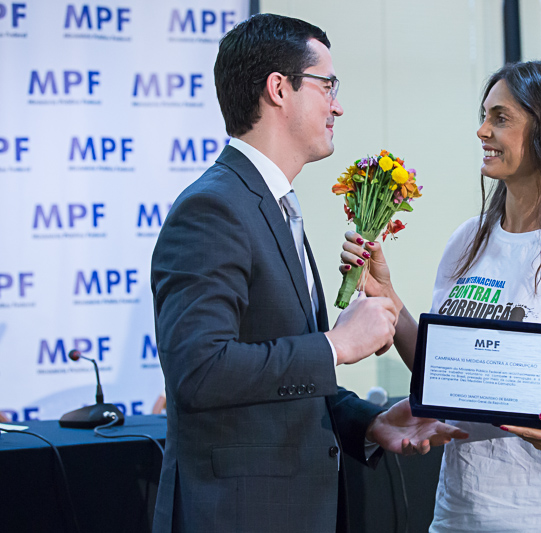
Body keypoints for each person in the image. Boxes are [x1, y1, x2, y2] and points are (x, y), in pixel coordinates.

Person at [150, 14, 466, 533]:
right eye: (327, 86)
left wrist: (370, 422)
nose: (337, 105)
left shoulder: (272, 204)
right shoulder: (214, 208)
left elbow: (282, 384)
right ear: (279, 89)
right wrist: (337, 345)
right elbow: (199, 371)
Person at [339, 61, 541, 531]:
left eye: (500, 118)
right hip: (459, 514)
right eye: (484, 115)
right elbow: (439, 365)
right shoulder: (467, 240)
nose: (482, 130)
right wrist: (385, 294)